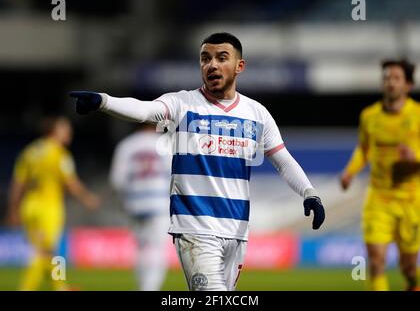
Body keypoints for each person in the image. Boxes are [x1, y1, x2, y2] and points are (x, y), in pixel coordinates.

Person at [69, 32, 325, 291]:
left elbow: (282, 160)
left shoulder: (257, 114)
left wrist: (309, 193)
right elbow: (143, 110)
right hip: (195, 228)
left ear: (240, 66)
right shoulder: (182, 104)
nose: (211, 65)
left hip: (236, 230)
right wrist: (103, 101)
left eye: (221, 58)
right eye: (205, 58)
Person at [340, 59, 420, 291]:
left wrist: (414, 158)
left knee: (409, 268)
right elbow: (364, 150)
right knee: (376, 262)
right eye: (387, 78)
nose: (390, 83)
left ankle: (413, 283)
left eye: (396, 78)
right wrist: (350, 172)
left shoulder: (417, 115)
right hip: (379, 198)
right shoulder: (369, 116)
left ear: (408, 85)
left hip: (411, 201)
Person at [6, 116, 100, 291]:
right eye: (65, 129)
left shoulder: (30, 151)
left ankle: (60, 286)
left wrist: (13, 208)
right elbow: (71, 183)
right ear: (54, 131)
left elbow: (18, 182)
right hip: (48, 207)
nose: (69, 132)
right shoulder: (59, 153)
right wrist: (88, 198)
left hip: (29, 206)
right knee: (44, 252)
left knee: (46, 251)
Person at [109, 123, 171, 291]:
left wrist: (125, 201)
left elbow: (117, 180)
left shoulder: (126, 145)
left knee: (141, 248)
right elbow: (175, 176)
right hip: (159, 203)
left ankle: (143, 285)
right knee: (157, 248)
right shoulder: (165, 143)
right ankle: (150, 287)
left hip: (134, 203)